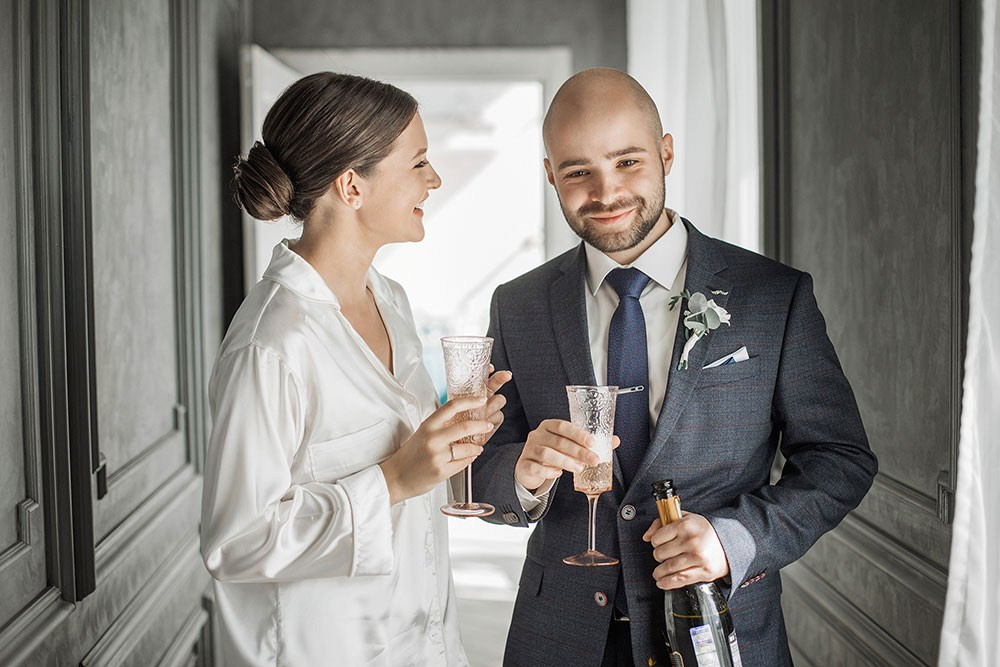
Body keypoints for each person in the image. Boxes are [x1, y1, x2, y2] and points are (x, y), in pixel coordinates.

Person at [471, 67, 878, 667]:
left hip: (721, 629)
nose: (605, 192)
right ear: (551, 174)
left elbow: (839, 459)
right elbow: (482, 466)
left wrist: (734, 539)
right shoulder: (518, 305)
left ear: (665, 154)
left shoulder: (773, 295)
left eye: (627, 161)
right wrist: (523, 477)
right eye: (578, 171)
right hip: (557, 639)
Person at [200, 72, 510, 667]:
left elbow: (409, 465)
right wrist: (392, 481)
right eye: (418, 162)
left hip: (426, 646)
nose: (434, 179)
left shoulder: (391, 301)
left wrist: (450, 441)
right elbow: (236, 542)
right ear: (352, 186)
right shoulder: (272, 343)